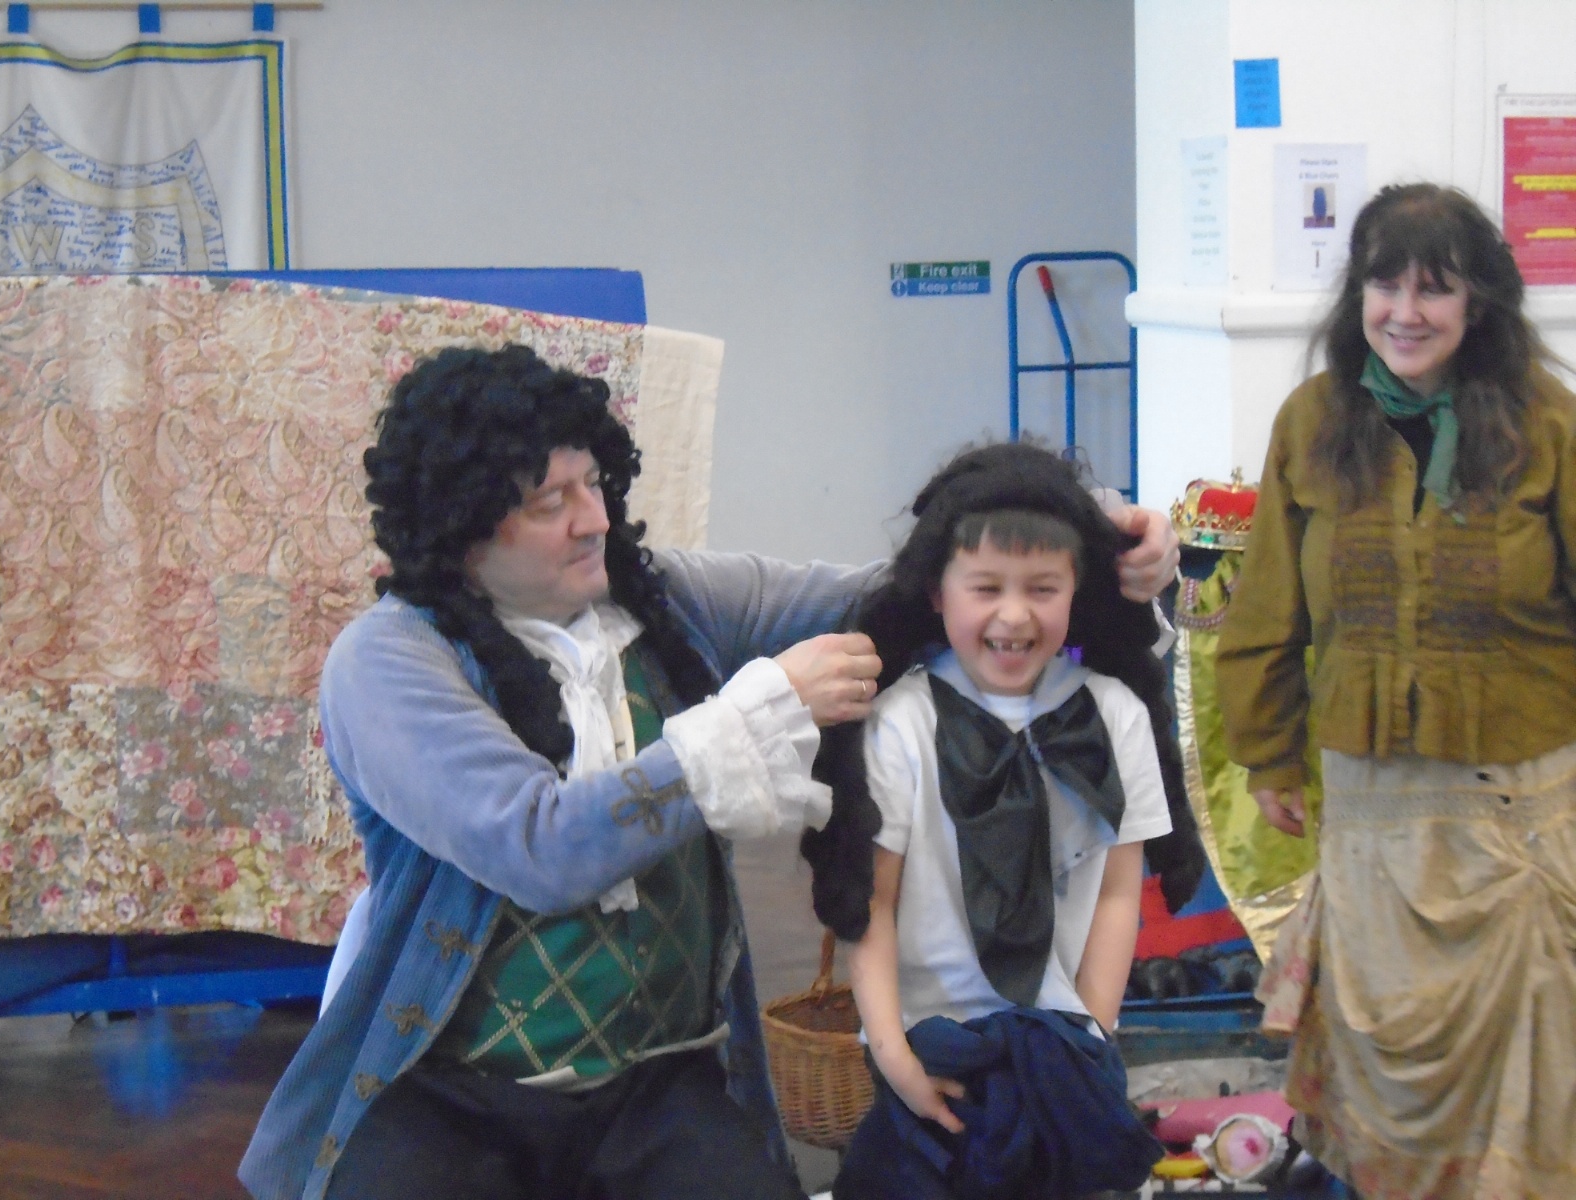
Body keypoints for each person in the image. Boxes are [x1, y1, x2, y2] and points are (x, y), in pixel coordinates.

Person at [240, 346, 1180, 1200]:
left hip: (655, 1085)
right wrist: (753, 717)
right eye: (549, 502)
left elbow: (896, 593)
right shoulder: (391, 661)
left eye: (593, 483)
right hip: (450, 1096)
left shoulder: (666, 598)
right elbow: (540, 848)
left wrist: (1075, 534)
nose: (592, 520)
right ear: (460, 528)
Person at [1215, 183, 1576, 1199]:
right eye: (1386, 286)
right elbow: (1268, 607)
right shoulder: (1313, 421)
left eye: (1435, 289)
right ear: (1357, 296)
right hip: (1370, 816)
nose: (1405, 313)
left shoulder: (1550, 426)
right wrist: (1270, 753)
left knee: (1533, 1093)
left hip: (1521, 819)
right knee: (1380, 1085)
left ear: (1480, 303)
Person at [803, 441, 1201, 1199]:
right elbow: (871, 902)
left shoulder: (1116, 714)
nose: (1013, 615)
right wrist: (893, 1058)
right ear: (937, 592)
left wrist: (1093, 1032)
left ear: (1077, 589)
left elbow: (1119, 891)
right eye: (985, 587)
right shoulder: (900, 723)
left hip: (1064, 1048)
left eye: (1042, 588)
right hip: (934, 1048)